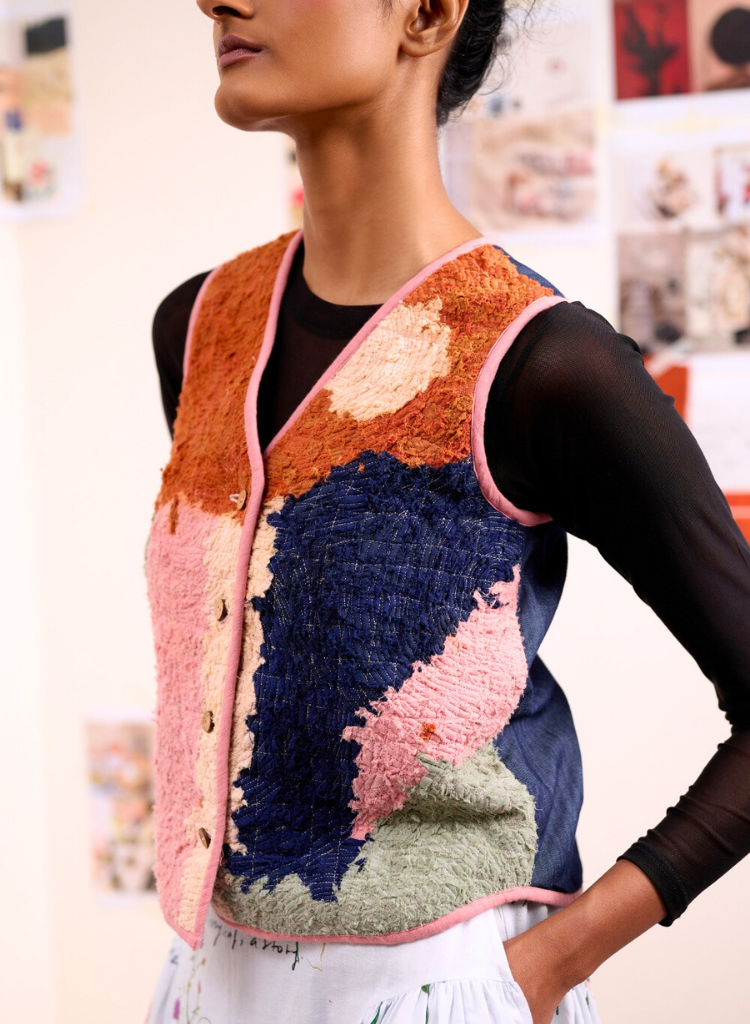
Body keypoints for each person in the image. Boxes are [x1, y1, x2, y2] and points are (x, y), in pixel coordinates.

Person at [144, 2, 750, 1022]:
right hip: (206, 970)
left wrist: (546, 965)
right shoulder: (198, 329)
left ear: (426, 13)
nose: (215, 1)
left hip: (444, 978)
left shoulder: (543, 363)